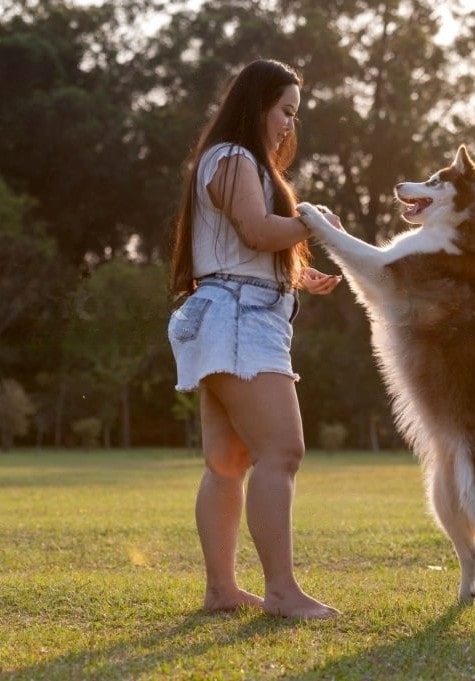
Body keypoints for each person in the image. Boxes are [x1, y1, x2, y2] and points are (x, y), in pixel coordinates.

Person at [167, 59, 343, 619]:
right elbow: (255, 229)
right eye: (285, 110)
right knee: (282, 450)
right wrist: (316, 224)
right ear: (257, 105)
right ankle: (282, 592)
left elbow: (239, 247)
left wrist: (295, 274)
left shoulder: (224, 159)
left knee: (227, 461)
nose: (290, 124)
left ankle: (221, 590)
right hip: (240, 318)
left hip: (224, 311)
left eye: (295, 114)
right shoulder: (236, 156)